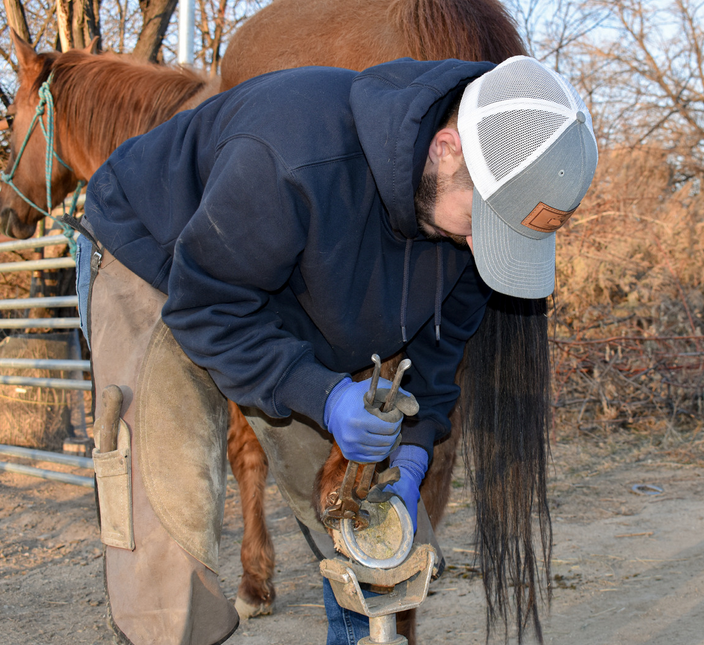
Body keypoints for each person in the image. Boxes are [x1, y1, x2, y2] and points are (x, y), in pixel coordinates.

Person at [76, 55, 597, 645]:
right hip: (154, 257)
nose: (484, 245)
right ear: (447, 147)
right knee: (167, 520)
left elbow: (438, 349)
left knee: (362, 511)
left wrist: (415, 453)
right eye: (484, 222)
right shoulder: (293, 151)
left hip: (275, 270)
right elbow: (208, 307)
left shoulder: (470, 226)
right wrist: (323, 396)